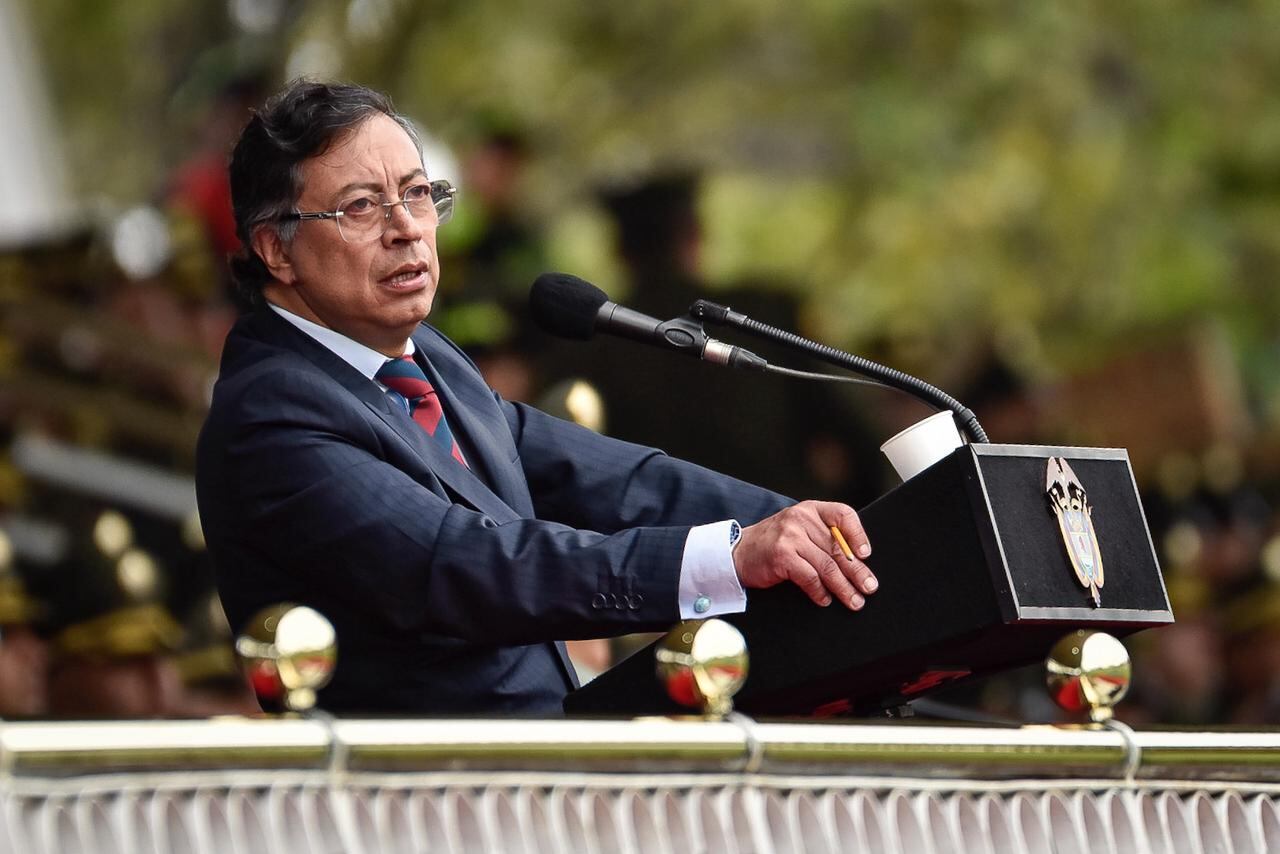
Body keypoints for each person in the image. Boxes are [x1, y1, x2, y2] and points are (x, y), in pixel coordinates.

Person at [196, 80, 879, 716]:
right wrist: (729, 557)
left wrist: (816, 530)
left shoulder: (426, 357)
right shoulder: (273, 414)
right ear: (275, 251)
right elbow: (469, 566)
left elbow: (621, 482)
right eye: (360, 207)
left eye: (416, 194)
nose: (406, 228)